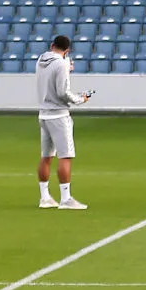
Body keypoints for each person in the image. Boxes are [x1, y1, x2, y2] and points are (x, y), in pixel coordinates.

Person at [35, 34, 91, 210]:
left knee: (46, 156)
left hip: (43, 113)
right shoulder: (61, 64)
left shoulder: (41, 60)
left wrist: (67, 68)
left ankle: (45, 197)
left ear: (52, 46)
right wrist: (80, 99)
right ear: (67, 51)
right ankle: (65, 198)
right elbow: (62, 92)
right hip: (58, 115)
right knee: (65, 156)